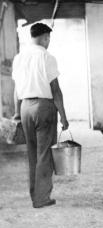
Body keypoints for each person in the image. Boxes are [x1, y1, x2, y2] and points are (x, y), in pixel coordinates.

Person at [12, 22, 68, 208]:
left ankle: (34, 194)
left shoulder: (19, 58)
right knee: (45, 154)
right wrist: (63, 116)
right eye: (48, 38)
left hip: (25, 107)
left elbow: (16, 91)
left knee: (32, 154)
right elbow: (56, 90)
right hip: (43, 107)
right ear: (45, 37)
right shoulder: (47, 57)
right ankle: (42, 198)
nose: (49, 41)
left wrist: (16, 113)